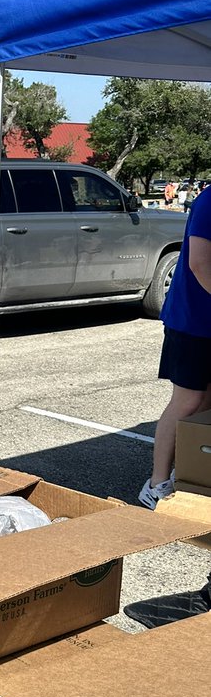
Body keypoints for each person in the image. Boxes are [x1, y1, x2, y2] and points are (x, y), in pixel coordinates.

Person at [139, 178, 211, 509]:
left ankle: (191, 476)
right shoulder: (209, 202)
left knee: (206, 403)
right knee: (187, 401)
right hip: (192, 321)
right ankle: (156, 484)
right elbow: (200, 263)